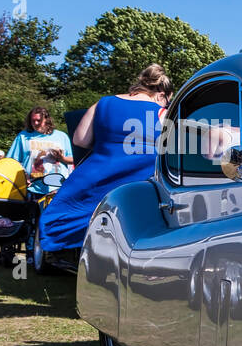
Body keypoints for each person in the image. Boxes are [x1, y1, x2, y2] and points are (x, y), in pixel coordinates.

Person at [39, 65, 170, 253]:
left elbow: (80, 140)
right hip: (140, 181)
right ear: (161, 93)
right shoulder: (162, 112)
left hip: (99, 174)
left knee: (79, 218)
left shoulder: (103, 103)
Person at [6, 106, 74, 180]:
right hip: (31, 187)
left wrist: (62, 158)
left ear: (47, 119)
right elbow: (12, 161)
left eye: (39, 120)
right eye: (33, 121)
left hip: (57, 187)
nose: (35, 123)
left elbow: (74, 160)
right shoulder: (23, 136)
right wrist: (22, 177)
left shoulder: (62, 136)